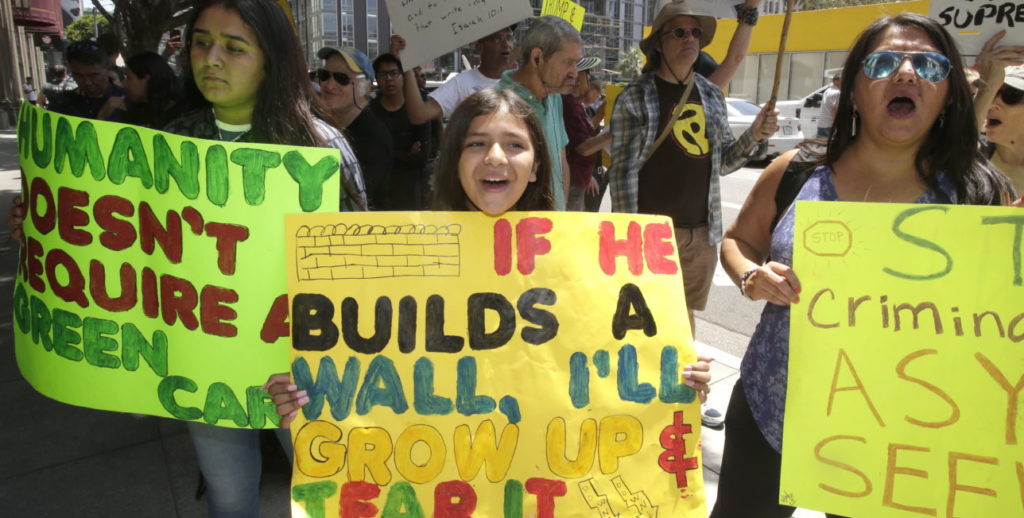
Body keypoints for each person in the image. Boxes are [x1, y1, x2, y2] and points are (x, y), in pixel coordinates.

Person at [712, 13, 1016, 518]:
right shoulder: (796, 171)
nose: (905, 73)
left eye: (929, 65)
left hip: (901, 434)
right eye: (882, 62)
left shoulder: (977, 193)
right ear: (853, 89)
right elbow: (738, 240)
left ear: (948, 93)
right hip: (772, 411)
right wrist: (750, 276)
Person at [265, 87, 716, 425]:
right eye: (476, 143)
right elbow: (359, 368)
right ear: (454, 160)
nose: (495, 157)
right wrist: (306, 393)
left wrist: (674, 380)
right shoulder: (399, 264)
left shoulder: (588, 266)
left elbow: (614, 377)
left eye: (515, 145)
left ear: (537, 164)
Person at [162, 1, 367, 515]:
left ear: (271, 59)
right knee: (229, 501)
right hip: (207, 359)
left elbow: (362, 266)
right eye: (201, 42)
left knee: (332, 498)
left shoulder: (322, 148)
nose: (211, 59)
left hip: (304, 372)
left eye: (234, 48)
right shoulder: (172, 141)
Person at [608, 0, 778, 429]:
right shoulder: (636, 97)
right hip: (649, 236)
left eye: (695, 34)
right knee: (640, 321)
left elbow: (722, 162)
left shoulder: (710, 96)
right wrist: (631, 236)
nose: (689, 40)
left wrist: (756, 135)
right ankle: (637, 398)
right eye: (678, 33)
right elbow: (623, 174)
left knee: (683, 322)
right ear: (659, 44)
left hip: (700, 234)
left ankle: (683, 401)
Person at [492, 15, 582, 211]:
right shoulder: (497, 104)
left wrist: (560, 214)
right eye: (567, 62)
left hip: (552, 229)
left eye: (576, 63)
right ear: (537, 58)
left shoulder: (554, 96)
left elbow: (561, 159)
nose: (574, 72)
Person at [315, 46, 394, 209]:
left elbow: (354, 199)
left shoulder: (373, 137)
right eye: (324, 76)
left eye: (341, 78)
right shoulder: (322, 126)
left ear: (365, 86)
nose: (329, 85)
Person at [390, 25, 517, 125]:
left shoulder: (522, 82)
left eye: (509, 38)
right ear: (479, 47)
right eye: (497, 38)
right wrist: (406, 66)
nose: (506, 44)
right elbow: (419, 114)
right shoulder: (462, 83)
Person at [370, 53, 430, 209]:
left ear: (404, 76)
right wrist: (405, 155)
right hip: (377, 192)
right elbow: (368, 156)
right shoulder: (370, 112)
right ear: (376, 78)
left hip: (409, 191)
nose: (389, 79)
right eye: (383, 74)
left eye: (394, 73)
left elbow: (421, 158)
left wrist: (386, 154)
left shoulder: (417, 111)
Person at [563, 57, 610, 211]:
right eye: (586, 74)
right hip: (574, 182)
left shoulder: (575, 103)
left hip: (579, 181)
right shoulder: (569, 103)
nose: (588, 79)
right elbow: (583, 148)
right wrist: (616, 131)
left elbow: (586, 136)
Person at [46, 39, 128, 120]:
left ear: (108, 70)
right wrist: (101, 117)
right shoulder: (61, 104)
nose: (87, 82)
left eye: (93, 75)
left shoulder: (128, 100)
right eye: (79, 75)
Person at [96, 51, 180, 128]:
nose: (123, 85)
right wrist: (102, 115)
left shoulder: (178, 116)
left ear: (146, 79)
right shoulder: (131, 110)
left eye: (129, 78)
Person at [817, 72, 841, 138]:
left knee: (821, 146)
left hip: (821, 124)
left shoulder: (827, 91)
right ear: (835, 81)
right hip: (829, 125)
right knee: (831, 146)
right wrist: (838, 125)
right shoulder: (837, 92)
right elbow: (834, 109)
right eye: (842, 80)